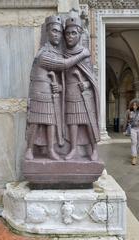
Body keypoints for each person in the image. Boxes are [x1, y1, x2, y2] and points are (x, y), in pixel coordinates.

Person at [25, 15, 90, 161]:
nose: (58, 35)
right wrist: (82, 54)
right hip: (39, 91)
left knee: (51, 122)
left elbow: (61, 74)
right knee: (35, 121)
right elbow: (63, 65)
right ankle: (29, 149)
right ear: (47, 32)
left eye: (60, 32)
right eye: (54, 31)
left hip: (51, 92)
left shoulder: (56, 52)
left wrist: (59, 87)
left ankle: (50, 150)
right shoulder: (44, 53)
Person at [64, 17, 100, 161]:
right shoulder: (64, 54)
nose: (70, 36)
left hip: (84, 94)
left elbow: (92, 78)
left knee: (88, 122)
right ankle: (73, 149)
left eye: (73, 33)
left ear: (79, 35)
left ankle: (94, 149)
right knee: (72, 122)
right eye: (67, 33)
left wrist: (85, 84)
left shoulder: (85, 54)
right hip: (70, 94)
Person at [125, 98, 139, 165]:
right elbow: (127, 120)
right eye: (133, 105)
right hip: (133, 129)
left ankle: (134, 153)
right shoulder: (129, 111)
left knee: (138, 142)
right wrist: (126, 128)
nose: (134, 106)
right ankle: (134, 157)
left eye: (136, 105)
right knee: (134, 142)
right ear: (131, 105)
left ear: (138, 105)